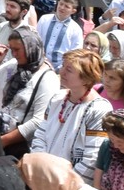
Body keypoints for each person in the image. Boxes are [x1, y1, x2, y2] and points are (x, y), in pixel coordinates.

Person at [29, 49, 112, 180]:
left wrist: (64, 182)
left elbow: (92, 159)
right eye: (63, 66)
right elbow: (40, 134)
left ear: (86, 78)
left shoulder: (98, 109)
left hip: (71, 186)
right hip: (43, 176)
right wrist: (40, 166)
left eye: (69, 70)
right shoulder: (58, 98)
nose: (61, 72)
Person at [0, 26, 61, 159]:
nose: (14, 54)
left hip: (21, 149)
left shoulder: (47, 78)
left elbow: (38, 120)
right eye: (11, 49)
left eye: (17, 49)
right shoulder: (14, 67)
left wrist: (4, 141)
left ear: (31, 47)